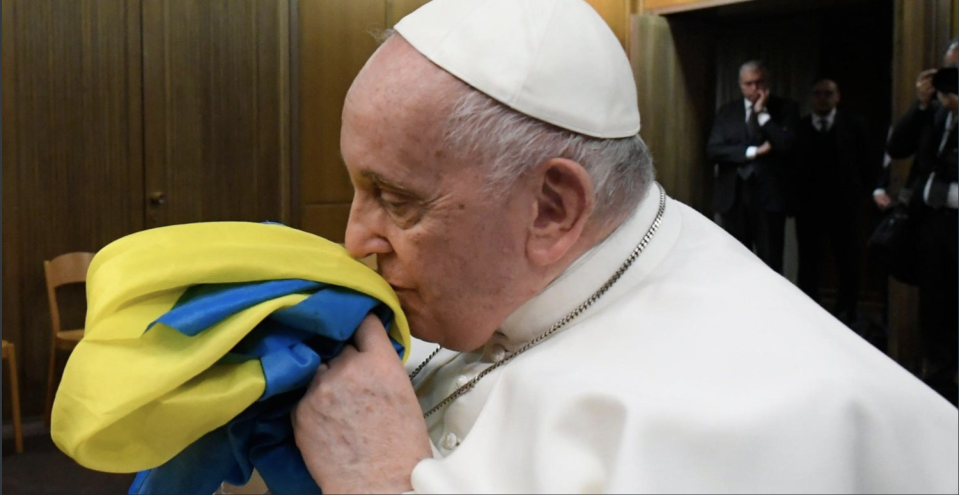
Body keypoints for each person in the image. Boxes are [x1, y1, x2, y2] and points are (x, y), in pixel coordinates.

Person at [291, 1, 959, 492]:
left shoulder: (764, 427)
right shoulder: (525, 275)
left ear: (551, 209)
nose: (354, 243)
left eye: (396, 200)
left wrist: (377, 480)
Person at [882, 39, 958, 405]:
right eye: (948, 70)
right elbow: (897, 146)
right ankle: (940, 386)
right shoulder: (936, 110)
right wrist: (922, 104)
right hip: (931, 225)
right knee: (934, 305)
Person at [706, 61, 800, 274]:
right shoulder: (727, 112)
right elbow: (714, 150)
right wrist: (753, 152)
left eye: (760, 82)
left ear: (768, 82)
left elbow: (785, 144)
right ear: (740, 85)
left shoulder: (785, 108)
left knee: (770, 262)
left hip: (769, 199)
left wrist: (763, 115)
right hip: (734, 198)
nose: (755, 88)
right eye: (749, 83)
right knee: (734, 261)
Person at [794, 79, 876, 323]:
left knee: (848, 260)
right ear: (810, 98)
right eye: (817, 93)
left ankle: (846, 311)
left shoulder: (855, 125)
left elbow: (867, 164)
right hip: (809, 208)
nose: (822, 98)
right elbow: (792, 168)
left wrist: (860, 196)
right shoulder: (800, 128)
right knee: (809, 262)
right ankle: (808, 312)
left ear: (837, 96)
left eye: (827, 93)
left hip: (845, 207)